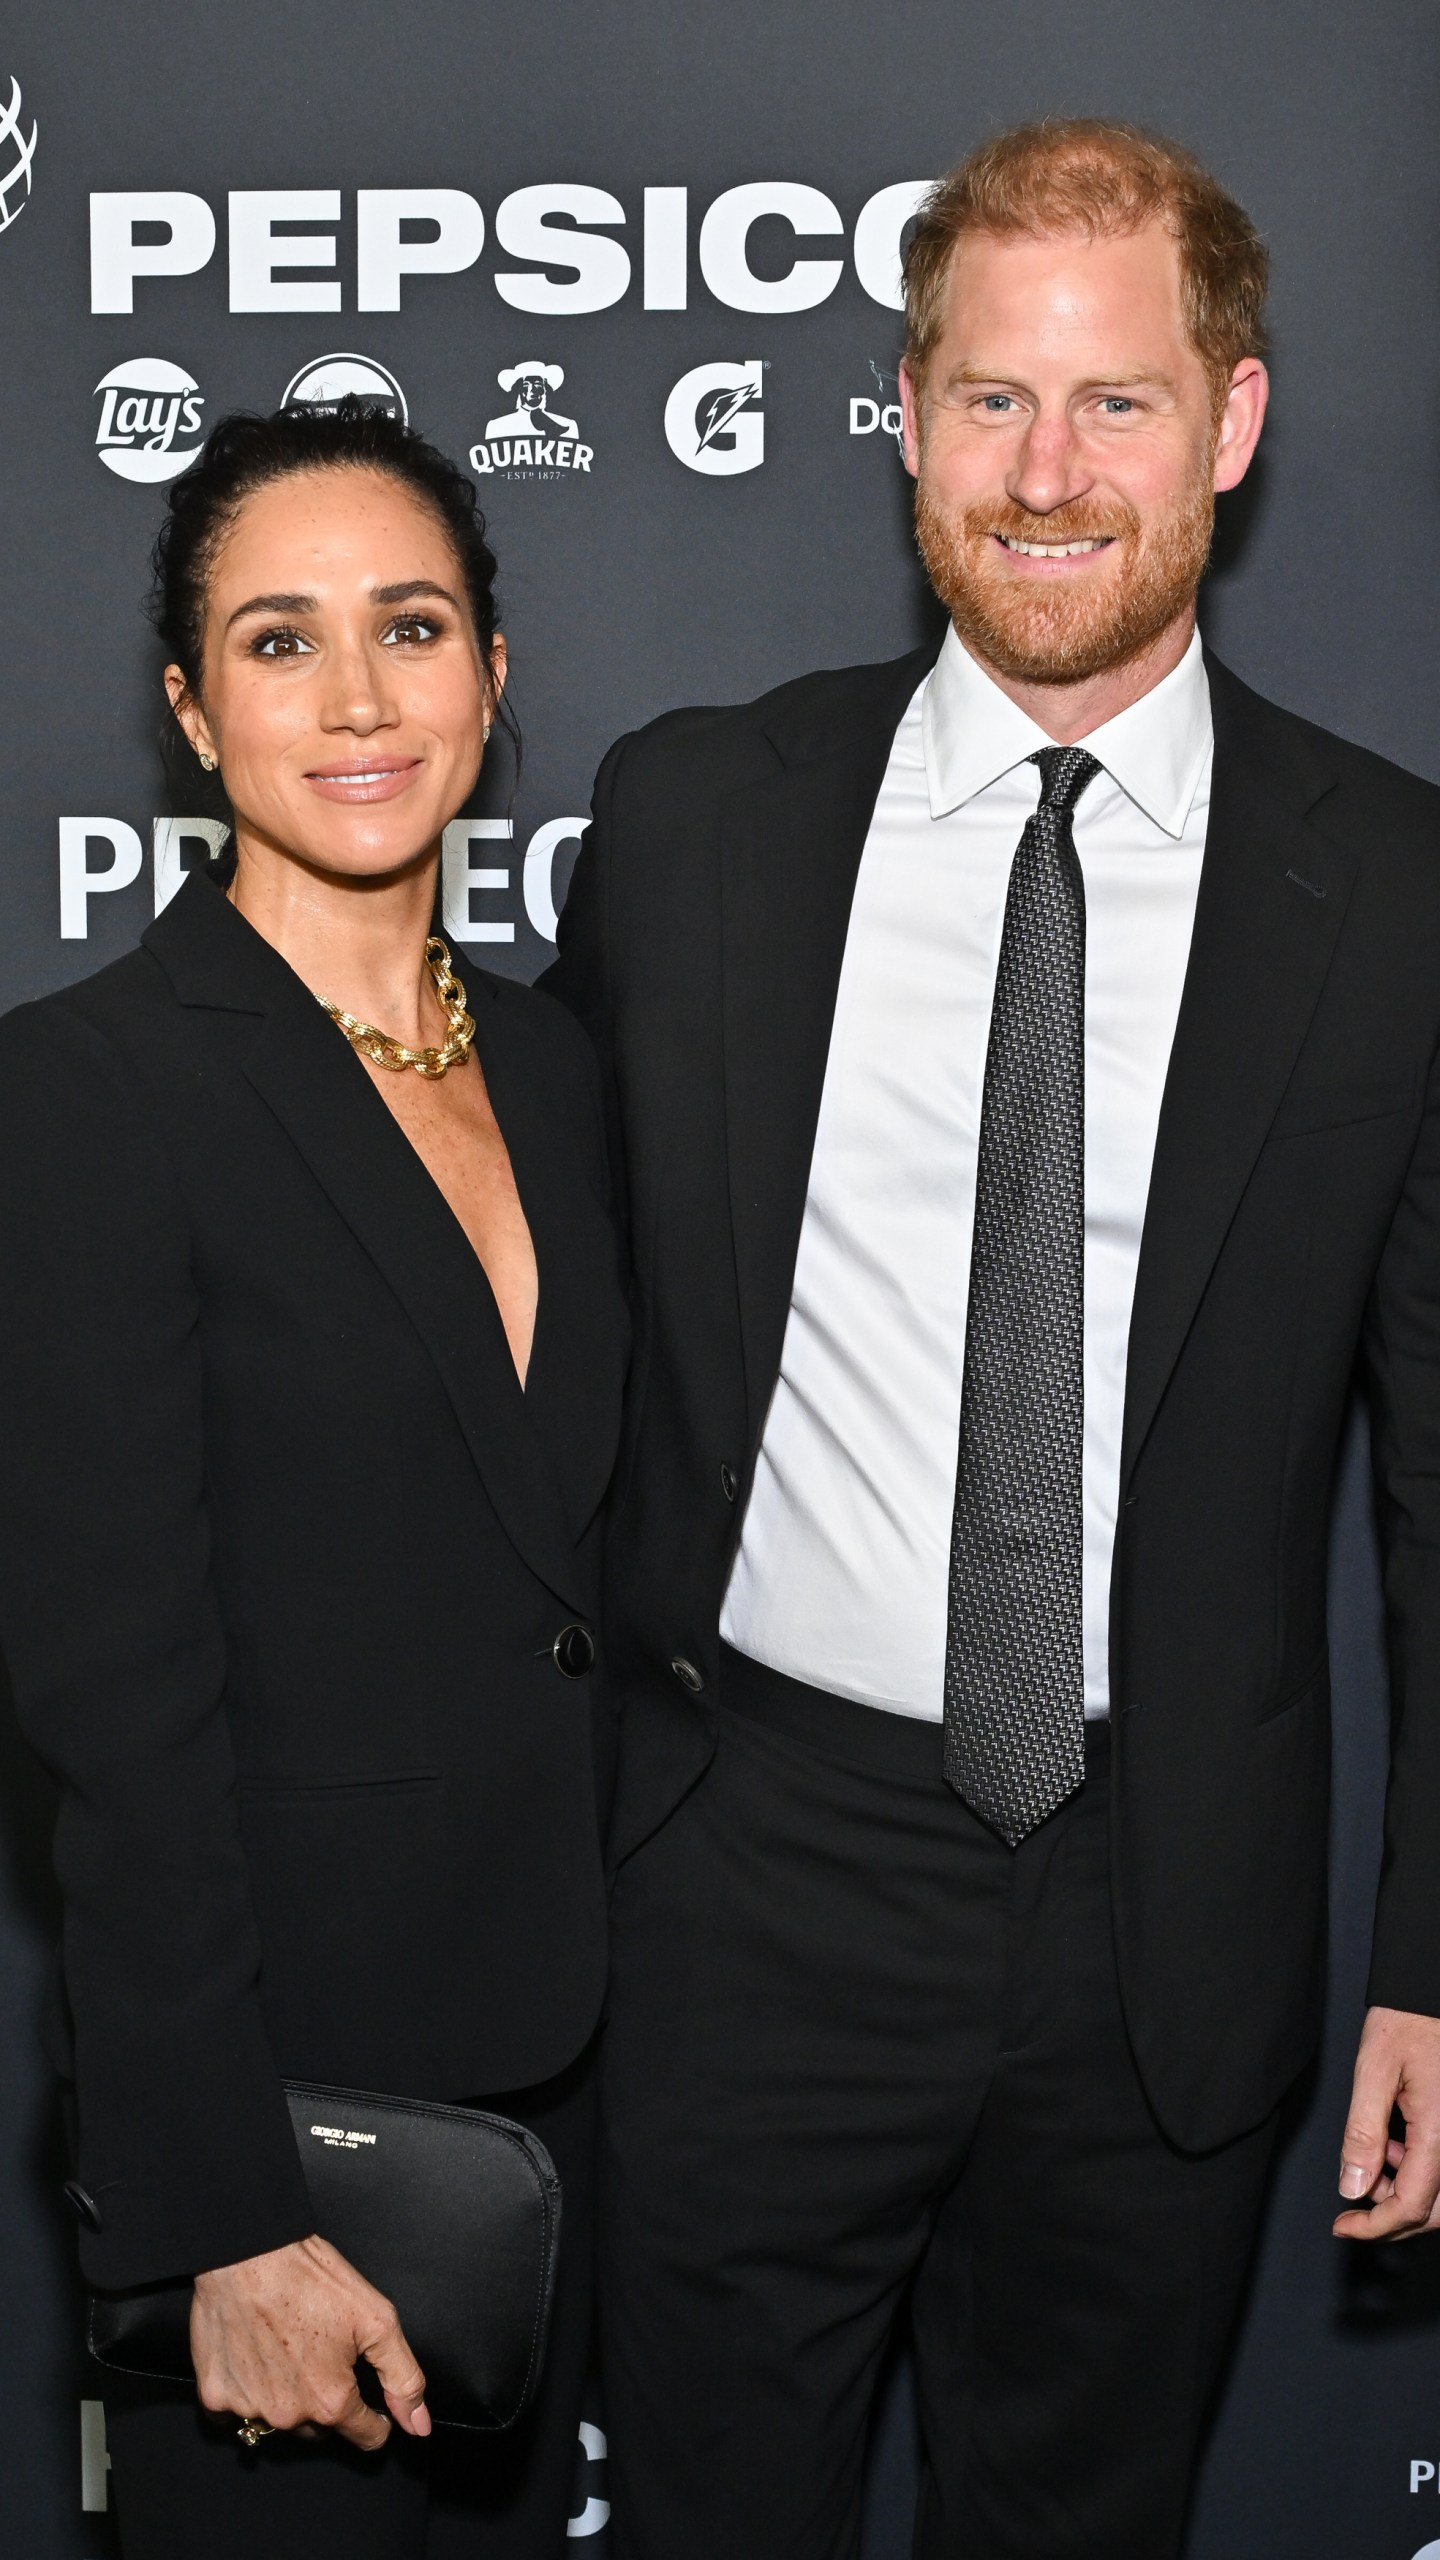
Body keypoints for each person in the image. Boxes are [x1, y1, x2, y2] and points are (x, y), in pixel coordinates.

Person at [546, 117, 1440, 2559]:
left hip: (1169, 1921)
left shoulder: (1398, 899)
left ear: (1229, 426)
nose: (1050, 478)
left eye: (1118, 405)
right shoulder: (700, 820)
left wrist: (1433, 1960)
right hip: (749, 1890)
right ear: (910, 417)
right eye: (990, 403)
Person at [0, 400, 627, 2558]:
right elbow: (121, 1724)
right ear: (188, 707)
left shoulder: (564, 1063)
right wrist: (222, 2224)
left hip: (571, 2121)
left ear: (494, 670)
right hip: (298, 2158)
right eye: (280, 641)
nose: (358, 699)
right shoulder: (85, 1095)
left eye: (412, 624)